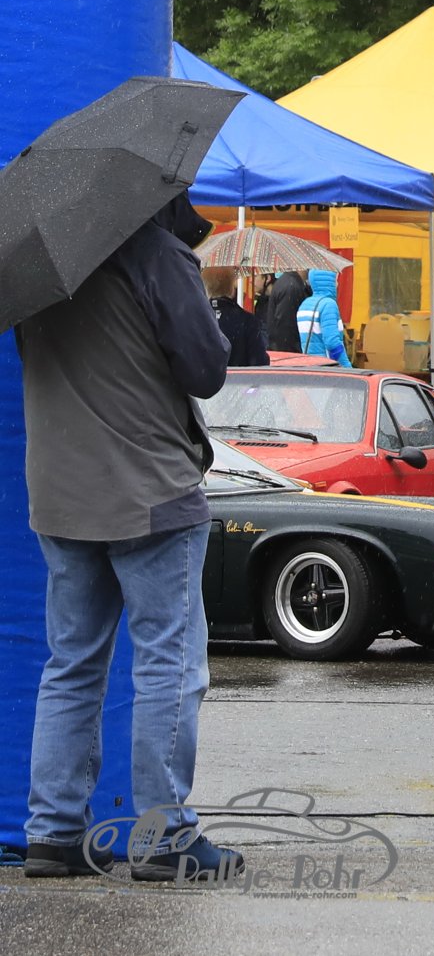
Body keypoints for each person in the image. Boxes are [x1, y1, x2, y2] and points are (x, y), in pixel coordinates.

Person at [14, 194, 243, 881]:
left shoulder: (33, 266)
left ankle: (53, 832)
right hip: (149, 491)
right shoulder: (154, 252)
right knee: (169, 664)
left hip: (61, 491)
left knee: (71, 663)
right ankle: (163, 836)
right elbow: (206, 369)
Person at [202, 267, 269, 366]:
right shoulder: (248, 321)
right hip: (238, 375)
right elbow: (260, 363)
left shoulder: (196, 320)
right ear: (231, 288)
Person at [296, 269, 353, 367]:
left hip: (310, 365)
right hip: (327, 367)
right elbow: (332, 343)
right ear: (329, 282)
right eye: (335, 280)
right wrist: (346, 366)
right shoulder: (328, 305)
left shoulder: (304, 304)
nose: (337, 284)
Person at [264, 268, 310, 352]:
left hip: (282, 349)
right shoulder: (291, 286)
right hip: (288, 352)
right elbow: (286, 327)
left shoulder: (289, 282)